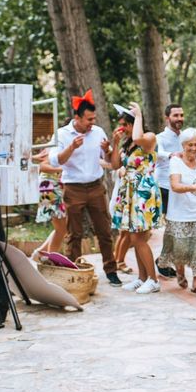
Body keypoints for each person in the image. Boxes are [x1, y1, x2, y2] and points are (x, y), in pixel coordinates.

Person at [48, 89, 122, 286]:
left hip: (96, 187)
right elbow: (56, 161)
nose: (92, 123)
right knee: (74, 234)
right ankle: (72, 272)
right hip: (73, 189)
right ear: (77, 118)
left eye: (94, 118)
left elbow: (109, 160)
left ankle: (111, 270)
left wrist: (107, 150)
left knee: (104, 231)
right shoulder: (62, 134)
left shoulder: (97, 132)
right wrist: (71, 147)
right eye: (89, 119)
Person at [157, 127, 196, 296]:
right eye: (189, 145)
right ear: (182, 145)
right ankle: (180, 271)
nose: (193, 148)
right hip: (179, 213)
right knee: (180, 250)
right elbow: (175, 186)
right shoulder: (175, 161)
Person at [110, 103, 162, 294]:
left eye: (125, 124)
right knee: (134, 237)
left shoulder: (148, 138)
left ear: (134, 123)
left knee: (139, 238)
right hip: (130, 193)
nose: (122, 128)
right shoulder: (128, 144)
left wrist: (139, 114)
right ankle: (142, 278)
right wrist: (115, 143)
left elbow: (138, 137)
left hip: (143, 192)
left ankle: (153, 280)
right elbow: (115, 164)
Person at [154, 104, 185, 278]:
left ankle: (163, 260)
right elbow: (156, 153)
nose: (179, 118)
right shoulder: (160, 138)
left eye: (181, 115)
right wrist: (171, 155)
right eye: (176, 115)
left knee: (177, 227)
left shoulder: (185, 137)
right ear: (167, 118)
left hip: (181, 188)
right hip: (164, 187)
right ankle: (163, 261)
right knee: (173, 226)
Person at [30, 148, 68, 260]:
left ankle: (40, 253)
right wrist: (63, 169)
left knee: (62, 227)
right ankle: (50, 258)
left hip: (56, 188)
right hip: (50, 187)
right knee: (61, 228)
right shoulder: (57, 145)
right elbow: (42, 166)